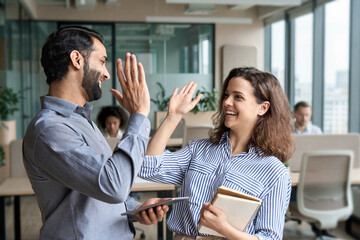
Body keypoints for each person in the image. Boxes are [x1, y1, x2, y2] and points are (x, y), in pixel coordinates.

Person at [22, 26, 169, 240]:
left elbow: (94, 188)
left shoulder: (82, 120)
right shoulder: (50, 130)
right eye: (101, 61)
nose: (107, 73)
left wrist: (135, 209)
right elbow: (114, 185)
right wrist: (139, 114)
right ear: (77, 59)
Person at [139, 67, 295, 240]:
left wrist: (224, 229)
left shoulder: (274, 171)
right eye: (226, 95)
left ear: (263, 108)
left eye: (238, 97)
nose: (227, 102)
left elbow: (269, 237)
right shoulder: (198, 150)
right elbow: (148, 167)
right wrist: (173, 116)